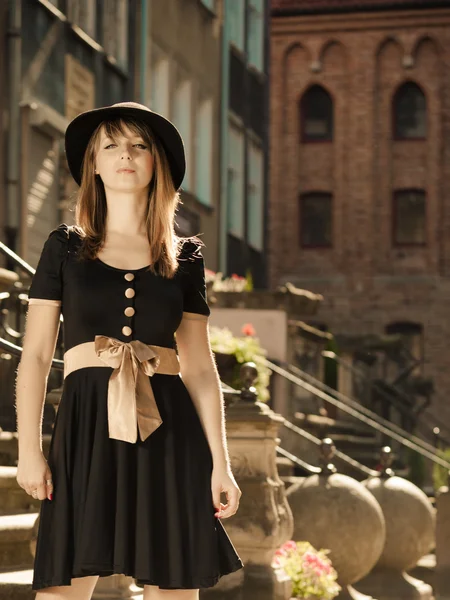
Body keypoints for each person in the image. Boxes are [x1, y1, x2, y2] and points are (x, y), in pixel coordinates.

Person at [15, 101, 244, 600]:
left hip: (170, 436)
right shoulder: (65, 247)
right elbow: (33, 356)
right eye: (112, 145)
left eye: (140, 146)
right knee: (62, 590)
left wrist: (220, 463)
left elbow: (201, 370)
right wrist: (28, 450)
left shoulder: (185, 259)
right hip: (85, 432)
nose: (126, 155)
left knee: (175, 589)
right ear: (92, 164)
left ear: (156, 163)